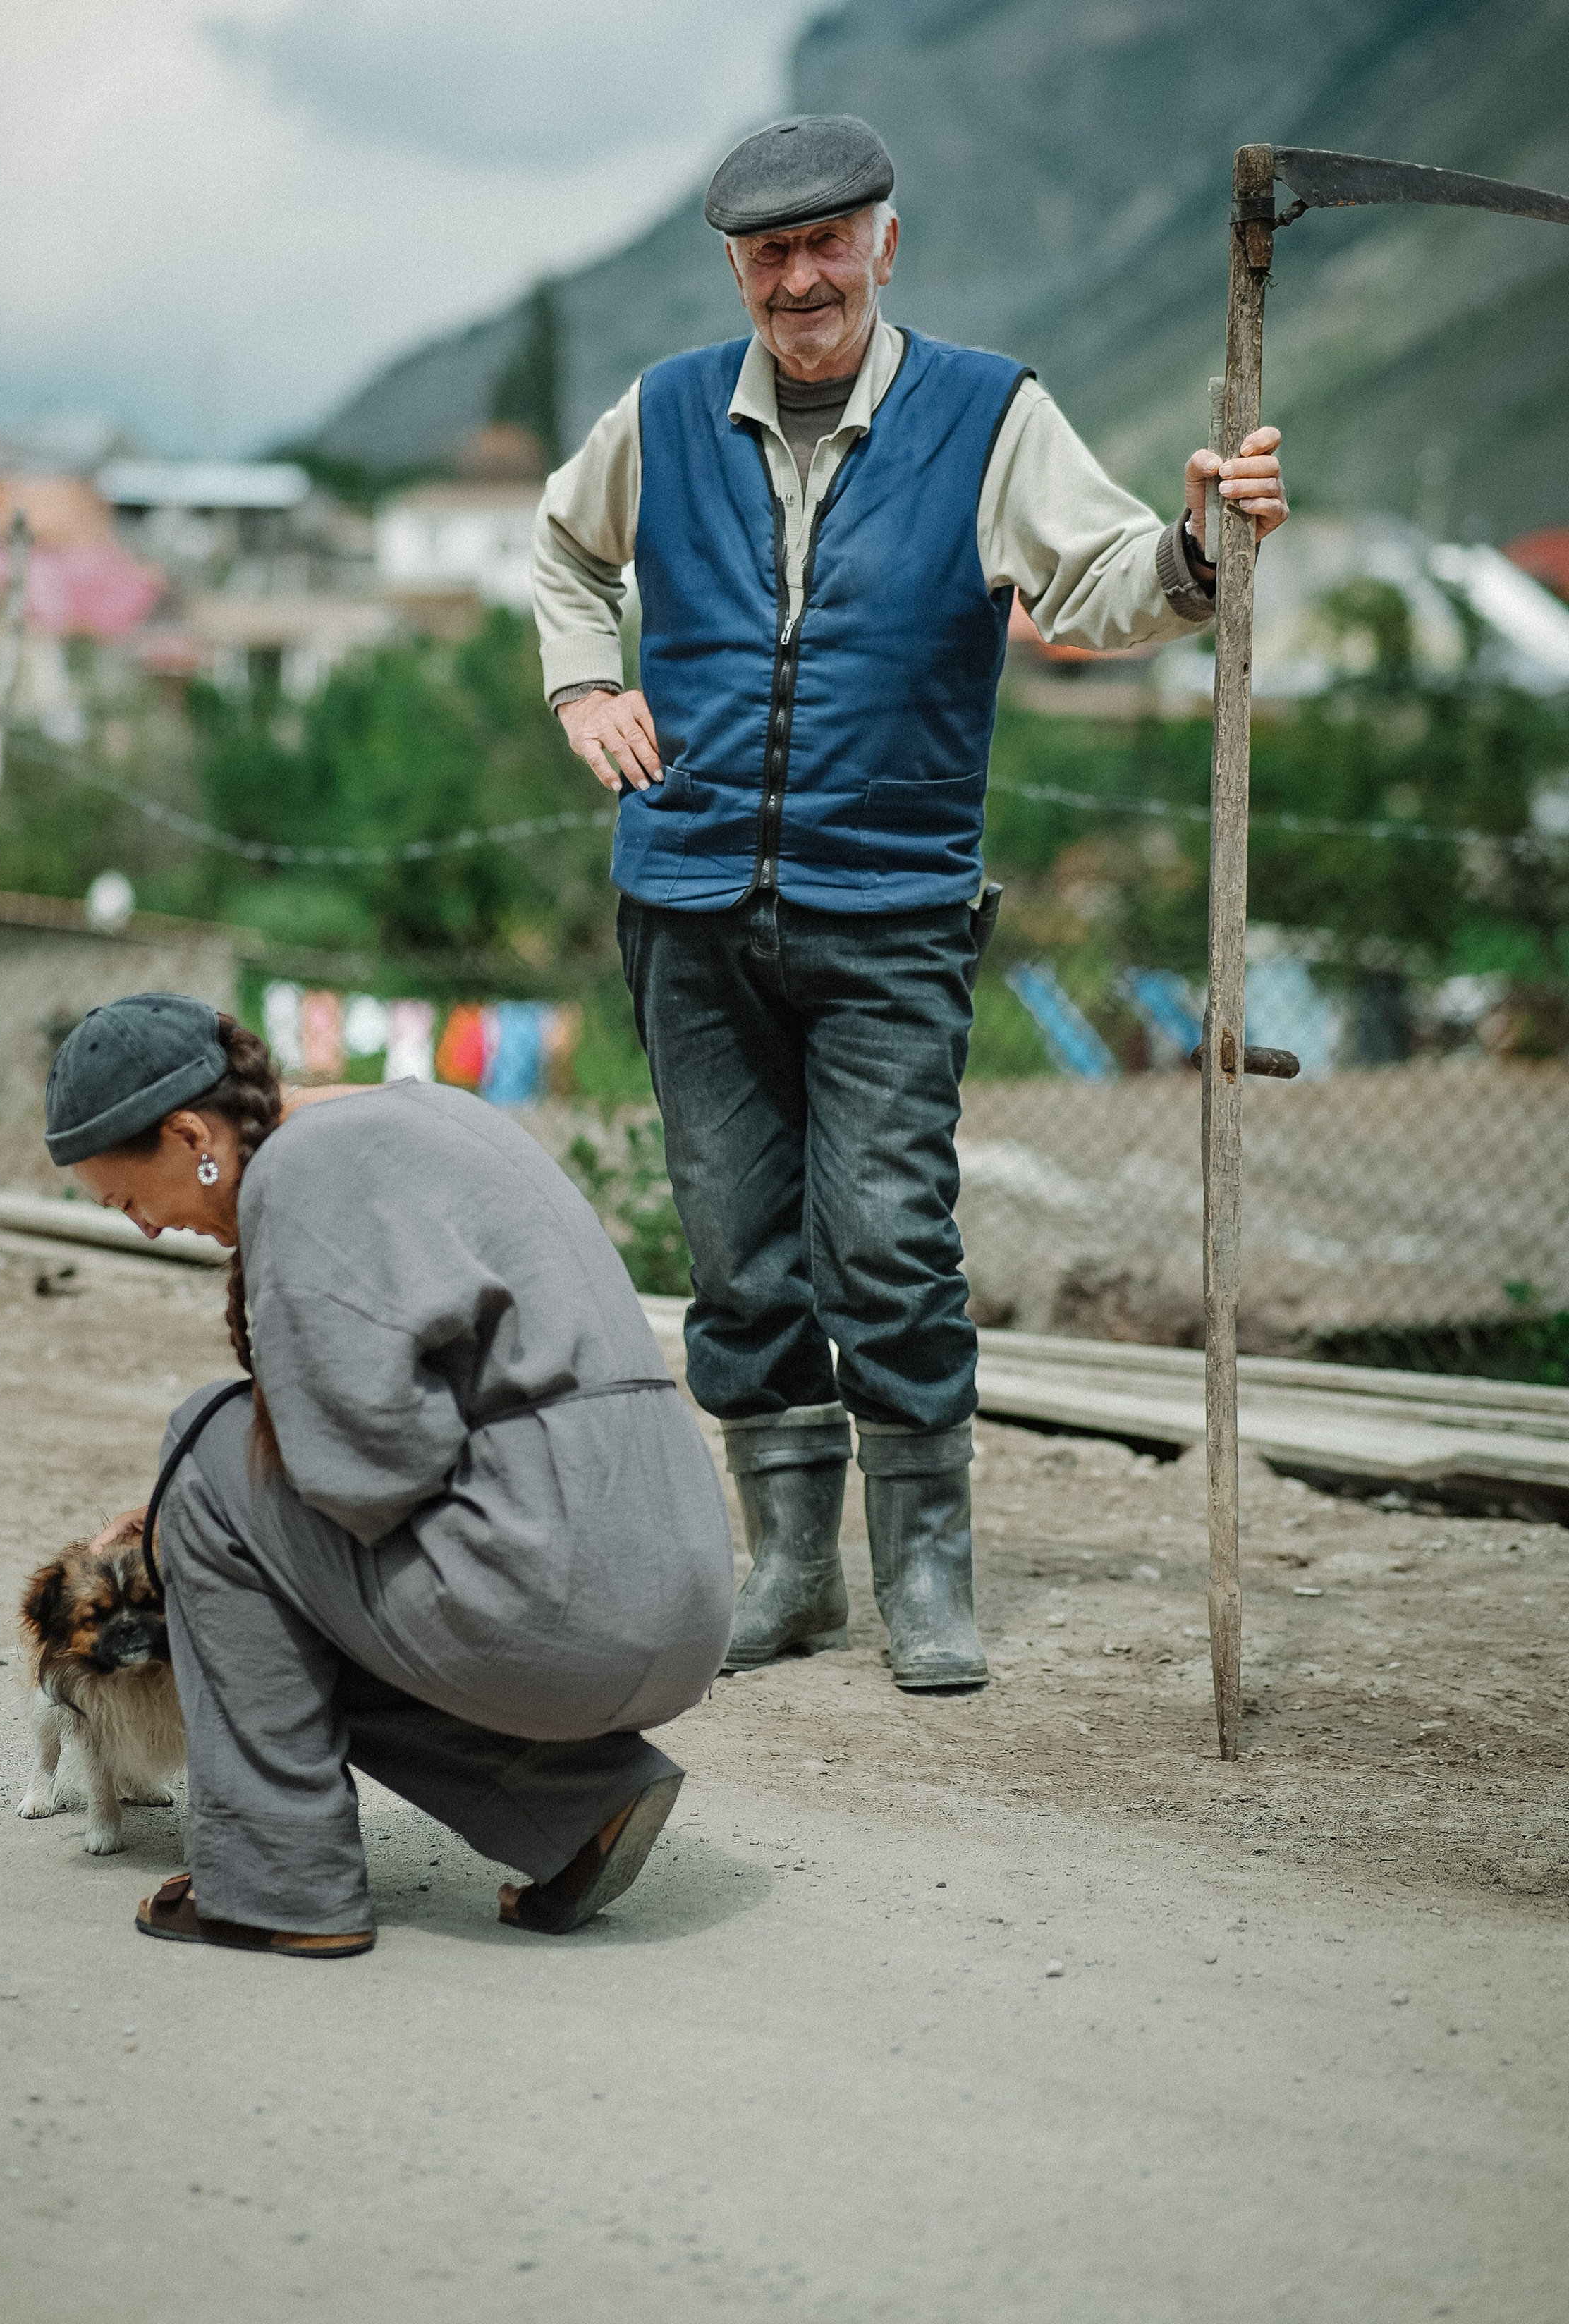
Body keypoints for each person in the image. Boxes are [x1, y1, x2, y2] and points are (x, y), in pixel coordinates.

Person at [533, 113, 1289, 1694]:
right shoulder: (662, 413)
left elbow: (1100, 580)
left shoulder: (988, 413)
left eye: (828, 243)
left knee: (884, 1238)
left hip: (889, 907)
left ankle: (926, 1568)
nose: (800, 278)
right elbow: (563, 547)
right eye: (769, 253)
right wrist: (584, 684)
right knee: (738, 1253)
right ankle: (792, 1565)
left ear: (886, 244)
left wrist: (1199, 544)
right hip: (685, 900)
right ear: (737, 268)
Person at [44, 992, 734, 1957]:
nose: (149, 1228)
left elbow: (373, 1474)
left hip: (567, 1607)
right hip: (677, 1592)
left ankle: (280, 1879)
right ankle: (576, 1802)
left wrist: (193, 1527)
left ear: (191, 1136)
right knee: (233, 1518)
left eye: (128, 1200)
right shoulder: (421, 1113)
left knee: (199, 1457)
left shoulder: (299, 1173)